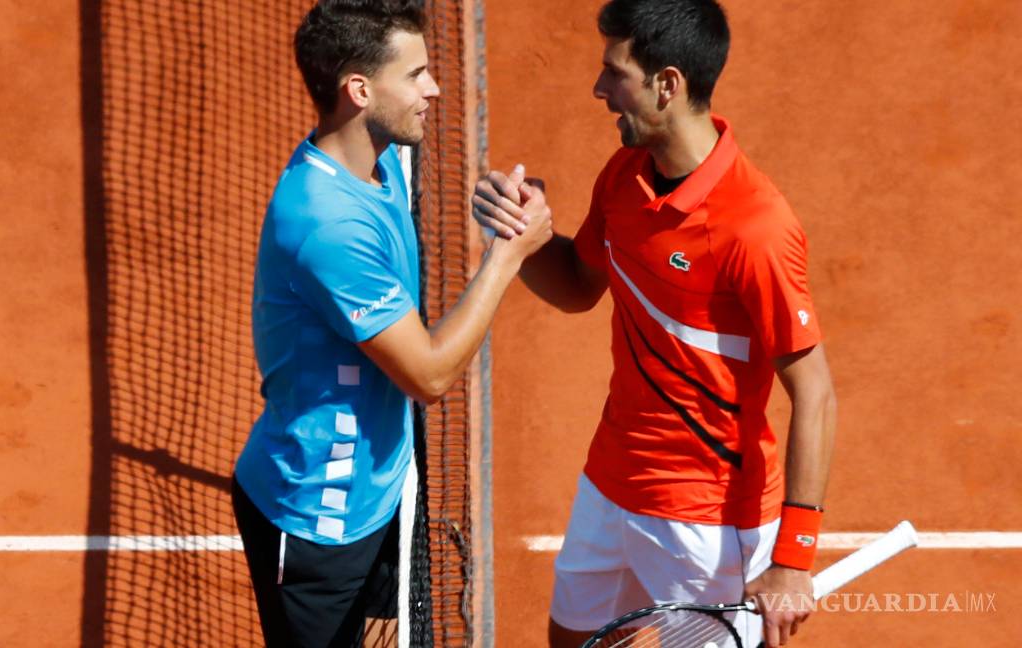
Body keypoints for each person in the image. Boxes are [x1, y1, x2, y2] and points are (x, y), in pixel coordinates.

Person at [472, 1, 836, 646]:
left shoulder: (755, 227)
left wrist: (793, 562)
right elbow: (579, 287)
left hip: (709, 520)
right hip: (611, 481)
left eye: (616, 74)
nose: (600, 89)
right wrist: (524, 237)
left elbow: (815, 394)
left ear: (667, 84)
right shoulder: (624, 176)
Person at [232, 1, 552, 645]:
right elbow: (430, 375)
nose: (432, 88)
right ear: (359, 90)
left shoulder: (378, 166)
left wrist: (495, 207)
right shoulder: (328, 221)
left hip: (378, 487)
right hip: (322, 514)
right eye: (415, 74)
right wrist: (508, 255)